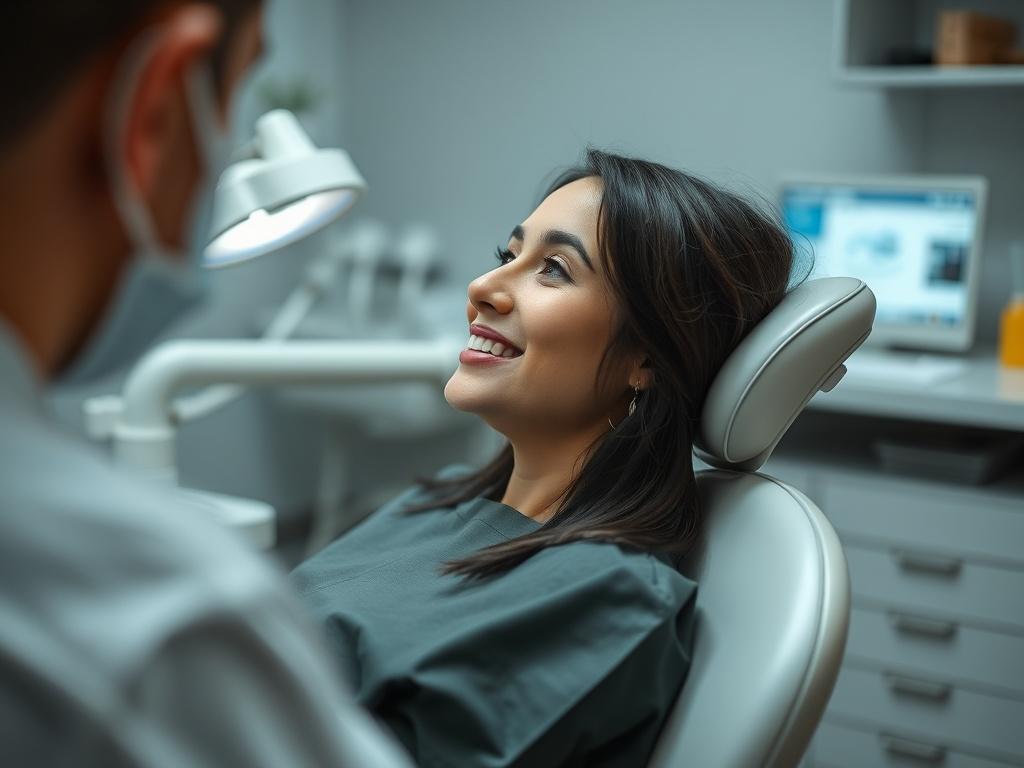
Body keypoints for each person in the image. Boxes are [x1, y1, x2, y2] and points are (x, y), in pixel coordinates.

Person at [0, 2, 411, 766]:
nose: (488, 288)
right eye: (229, 106)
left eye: (555, 266)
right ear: (153, 106)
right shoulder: (154, 619)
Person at [293, 149, 796, 767]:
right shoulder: (437, 498)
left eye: (553, 269)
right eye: (509, 256)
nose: (482, 288)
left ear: (647, 359)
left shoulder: (606, 598)